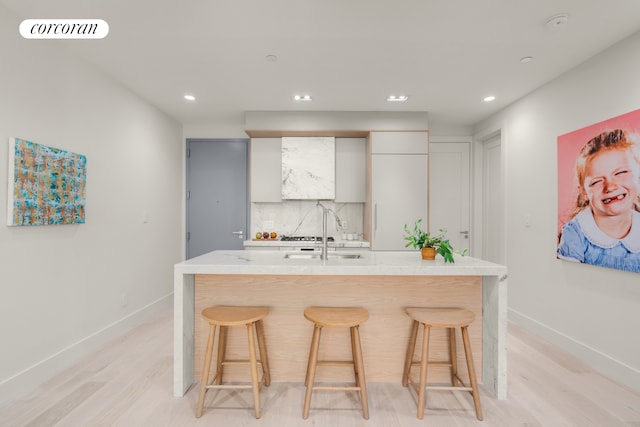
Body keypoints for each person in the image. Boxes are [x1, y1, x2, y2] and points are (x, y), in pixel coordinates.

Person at [557, 129, 640, 273]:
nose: (610, 186)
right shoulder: (576, 233)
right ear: (584, 192)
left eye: (620, 173)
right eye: (597, 182)